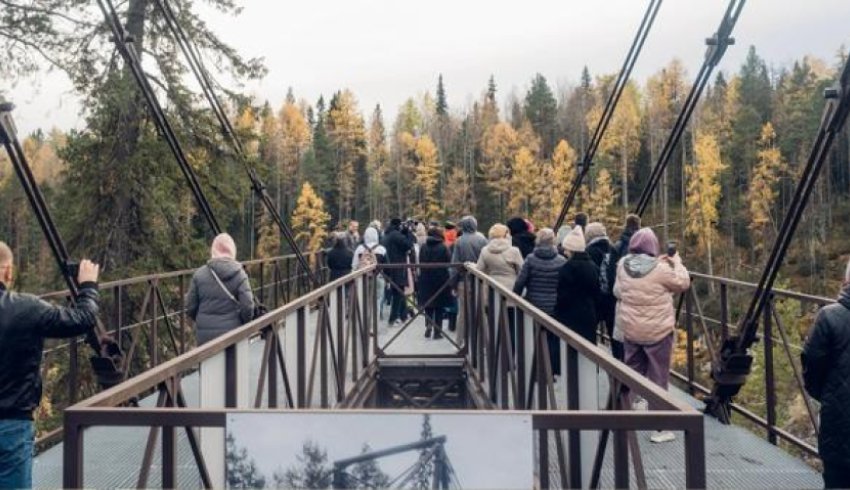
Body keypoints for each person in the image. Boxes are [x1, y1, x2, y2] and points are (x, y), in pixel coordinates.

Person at [0, 241, 100, 489]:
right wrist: (87, 287)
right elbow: (82, 319)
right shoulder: (26, 308)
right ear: (7, 271)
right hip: (12, 422)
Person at [613, 227, 689, 443]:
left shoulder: (622, 266)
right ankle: (661, 427)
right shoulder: (662, 269)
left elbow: (618, 290)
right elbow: (683, 283)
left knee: (631, 372)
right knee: (658, 376)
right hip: (658, 331)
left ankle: (622, 415)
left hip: (631, 329)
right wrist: (677, 263)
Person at [802, 260, 850, 488]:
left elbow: (812, 366)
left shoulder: (829, 317)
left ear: (846, 282)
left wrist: (829, 396)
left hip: (839, 423)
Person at [513, 228, 567, 375]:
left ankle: (535, 369)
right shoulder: (561, 261)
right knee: (552, 338)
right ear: (553, 241)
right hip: (554, 306)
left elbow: (520, 282)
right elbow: (564, 285)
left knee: (534, 338)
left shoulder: (531, 259)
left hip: (534, 305)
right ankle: (552, 370)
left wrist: (514, 297)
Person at [187, 233, 256, 344]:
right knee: (233, 361)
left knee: (206, 361)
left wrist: (203, 320)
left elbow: (190, 307)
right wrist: (243, 323)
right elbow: (248, 306)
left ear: (213, 250)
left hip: (205, 337)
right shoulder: (240, 275)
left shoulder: (199, 274)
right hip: (232, 336)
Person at [554, 227, 599, 344]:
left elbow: (562, 296)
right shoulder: (593, 267)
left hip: (569, 316)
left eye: (567, 249)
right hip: (588, 314)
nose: (564, 252)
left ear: (572, 250)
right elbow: (596, 292)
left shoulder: (567, 268)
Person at [585, 222, 623, 360]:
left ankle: (591, 364)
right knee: (616, 339)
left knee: (589, 333)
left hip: (595, 300)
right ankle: (621, 371)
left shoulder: (589, 252)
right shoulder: (613, 249)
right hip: (613, 299)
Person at [450, 216, 488, 337]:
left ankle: (461, 342)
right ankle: (485, 343)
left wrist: (453, 284)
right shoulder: (482, 239)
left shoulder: (459, 241)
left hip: (463, 281)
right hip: (480, 281)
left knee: (463, 313)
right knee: (482, 313)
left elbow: (455, 264)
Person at [417, 227, 453, 339]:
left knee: (428, 304)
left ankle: (428, 325)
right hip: (440, 279)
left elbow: (420, 260)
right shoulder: (443, 247)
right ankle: (437, 332)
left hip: (425, 278)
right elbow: (449, 261)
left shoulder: (423, 247)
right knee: (439, 306)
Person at [353, 226, 388, 319]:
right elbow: (387, 266)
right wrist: (388, 280)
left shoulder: (359, 249)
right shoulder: (382, 249)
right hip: (378, 277)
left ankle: (363, 323)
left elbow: (354, 265)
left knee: (364, 301)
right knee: (377, 301)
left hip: (362, 278)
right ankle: (374, 325)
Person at [475, 224, 524, 291]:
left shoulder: (485, 250)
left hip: (491, 287)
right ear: (506, 235)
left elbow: (479, 270)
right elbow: (521, 272)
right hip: (511, 289)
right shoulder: (514, 251)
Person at [383, 218, 413, 326]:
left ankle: (403, 315)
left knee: (399, 292)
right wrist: (408, 232)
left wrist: (404, 232)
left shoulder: (388, 234)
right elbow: (409, 244)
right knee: (398, 292)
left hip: (390, 265)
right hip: (398, 266)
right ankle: (393, 318)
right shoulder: (396, 235)